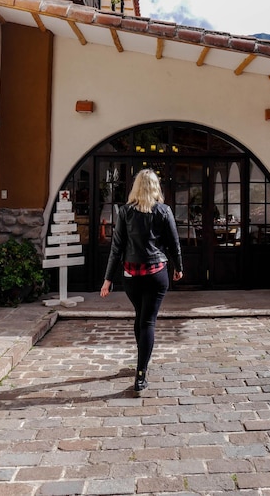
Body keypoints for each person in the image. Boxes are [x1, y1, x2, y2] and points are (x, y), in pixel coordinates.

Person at [100, 169, 183, 395]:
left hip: (131, 276)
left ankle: (141, 362)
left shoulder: (125, 212)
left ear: (136, 187)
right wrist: (179, 267)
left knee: (141, 317)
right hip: (156, 273)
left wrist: (108, 279)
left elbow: (116, 248)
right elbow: (174, 243)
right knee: (147, 321)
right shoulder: (164, 211)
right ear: (156, 187)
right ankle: (140, 374)